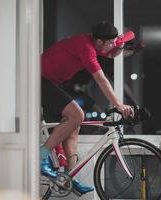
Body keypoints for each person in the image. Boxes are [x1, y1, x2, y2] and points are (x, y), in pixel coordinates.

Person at [41, 21, 135, 194]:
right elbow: (101, 79)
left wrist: (118, 45)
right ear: (99, 42)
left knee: (74, 125)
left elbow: (110, 52)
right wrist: (118, 105)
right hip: (39, 78)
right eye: (110, 42)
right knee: (77, 115)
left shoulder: (96, 43)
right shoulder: (86, 48)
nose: (113, 45)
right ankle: (41, 157)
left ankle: (68, 177)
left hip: (51, 82)